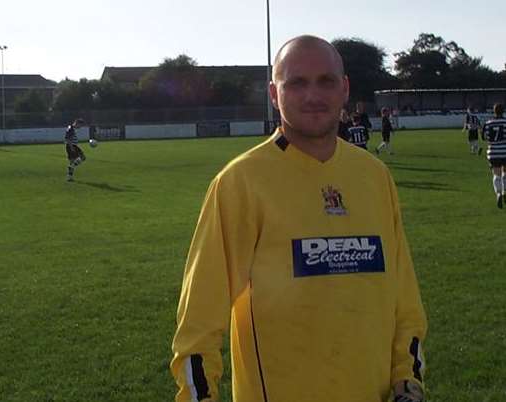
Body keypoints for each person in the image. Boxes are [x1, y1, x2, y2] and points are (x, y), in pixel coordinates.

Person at [170, 35, 427, 402]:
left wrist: (408, 378)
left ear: (345, 89)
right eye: (297, 83)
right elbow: (200, 316)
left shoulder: (374, 176)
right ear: (274, 94)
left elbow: (405, 299)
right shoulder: (241, 182)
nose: (313, 96)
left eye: (326, 81)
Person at [481, 103, 506, 208]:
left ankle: (499, 193)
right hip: (504, 151)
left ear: (494, 111)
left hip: (493, 152)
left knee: (496, 174)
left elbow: (483, 137)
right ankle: (505, 192)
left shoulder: (488, 123)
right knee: (505, 172)